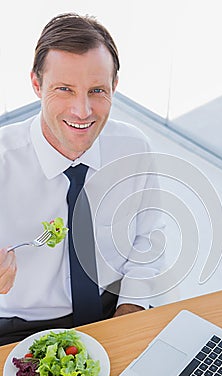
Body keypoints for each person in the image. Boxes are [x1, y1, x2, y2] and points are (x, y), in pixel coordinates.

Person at [0, 13, 165, 345]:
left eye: (97, 91)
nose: (82, 110)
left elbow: (149, 238)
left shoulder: (134, 148)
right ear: (36, 84)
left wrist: (129, 311)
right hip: (19, 326)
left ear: (114, 87)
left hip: (113, 309)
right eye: (64, 89)